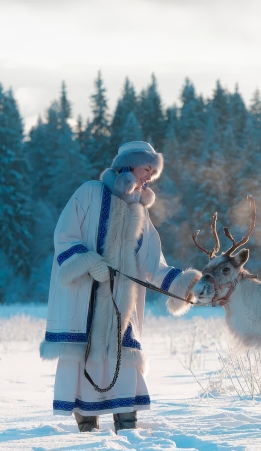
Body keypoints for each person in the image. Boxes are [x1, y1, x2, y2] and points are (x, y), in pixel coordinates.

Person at [40, 141, 201, 433]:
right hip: (83, 300)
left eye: (154, 171)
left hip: (120, 305)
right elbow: (64, 236)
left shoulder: (140, 213)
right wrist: (88, 261)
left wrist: (182, 285)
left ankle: (127, 424)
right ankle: (86, 427)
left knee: (124, 358)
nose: (150, 176)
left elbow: (152, 263)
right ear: (127, 166)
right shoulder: (89, 193)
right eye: (147, 168)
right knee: (83, 357)